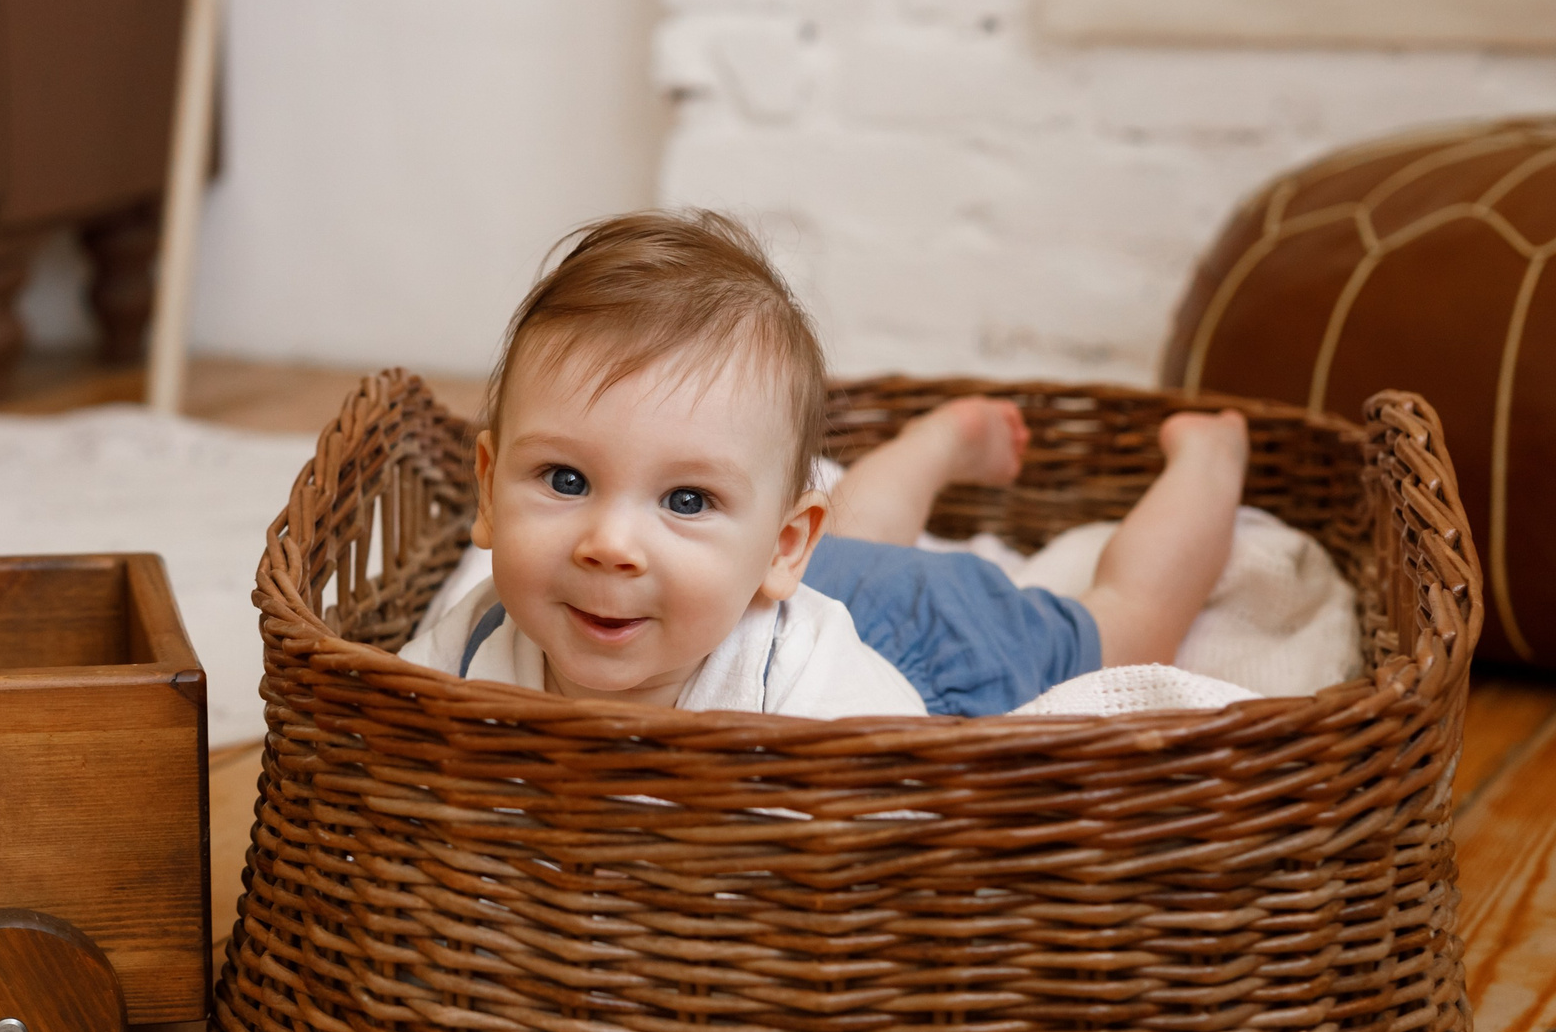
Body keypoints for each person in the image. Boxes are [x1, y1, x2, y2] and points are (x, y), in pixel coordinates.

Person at [399, 210, 1251, 718]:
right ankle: (936, 445)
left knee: (1124, 625)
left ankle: (1209, 463)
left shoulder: (824, 700)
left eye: (686, 497)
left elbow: (915, 822)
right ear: (486, 488)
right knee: (855, 541)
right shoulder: (476, 639)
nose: (609, 544)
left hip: (917, 638)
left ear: (782, 544)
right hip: (774, 574)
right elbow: (380, 733)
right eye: (567, 480)